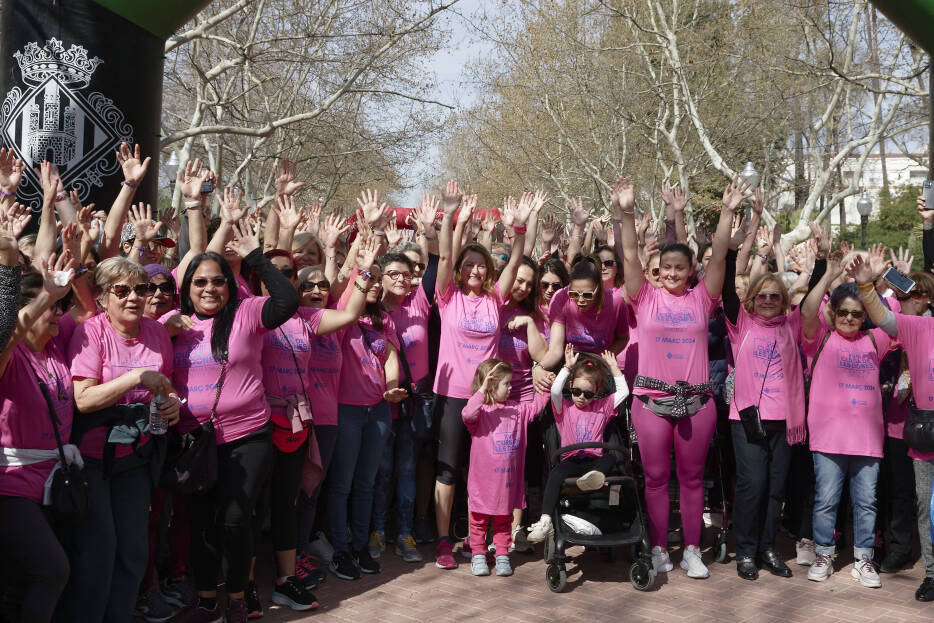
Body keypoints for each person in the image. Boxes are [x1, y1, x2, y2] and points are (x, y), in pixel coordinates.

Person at [164, 214, 298, 623]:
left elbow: (287, 302)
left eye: (218, 281)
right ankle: (207, 600)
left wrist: (255, 256)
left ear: (230, 285)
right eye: (200, 282)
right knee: (202, 523)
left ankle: (238, 597)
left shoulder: (247, 313)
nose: (209, 288)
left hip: (247, 436)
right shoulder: (173, 325)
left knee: (236, 519)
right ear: (187, 288)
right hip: (193, 441)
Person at [615, 175, 742, 580]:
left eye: (679, 268)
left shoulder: (702, 299)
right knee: (655, 480)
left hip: (698, 405)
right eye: (666, 267)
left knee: (692, 480)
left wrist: (727, 211)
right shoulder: (644, 297)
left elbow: (719, 257)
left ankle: (691, 550)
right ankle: (657, 549)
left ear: (690, 271)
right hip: (651, 403)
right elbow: (630, 254)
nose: (671, 273)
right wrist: (628, 211)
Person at [248, 242, 377, 614]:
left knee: (286, 504)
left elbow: (349, 313)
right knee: (254, 508)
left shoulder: (307, 317)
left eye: (287, 273)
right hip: (257, 425)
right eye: (271, 273)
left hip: (296, 424)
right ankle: (246, 585)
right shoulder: (247, 312)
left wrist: (365, 271)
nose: (280, 279)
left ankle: (286, 582)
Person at [58, 256, 180, 622]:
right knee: (99, 547)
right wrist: (134, 378)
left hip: (138, 456)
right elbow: (83, 399)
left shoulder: (157, 332)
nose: (134, 297)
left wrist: (171, 404)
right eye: (122, 290)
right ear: (102, 297)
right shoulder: (91, 331)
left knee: (133, 549)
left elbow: (166, 385)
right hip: (93, 459)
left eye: (140, 289)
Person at [431, 182, 532, 570]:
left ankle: (485, 541)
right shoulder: (448, 296)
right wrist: (449, 214)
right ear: (460, 269)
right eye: (469, 264)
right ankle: (444, 540)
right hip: (453, 395)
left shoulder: (494, 298)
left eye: (481, 265)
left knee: (488, 470)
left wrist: (519, 230)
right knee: (448, 468)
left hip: (490, 401)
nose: (475, 270)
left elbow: (516, 262)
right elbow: (444, 257)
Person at [798, 252, 891, 588]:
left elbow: (893, 319)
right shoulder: (820, 339)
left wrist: (872, 284)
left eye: (857, 313)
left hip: (867, 440)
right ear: (834, 313)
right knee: (826, 501)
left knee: (867, 503)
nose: (850, 318)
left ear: (864, 316)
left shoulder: (875, 340)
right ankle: (824, 554)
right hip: (828, 439)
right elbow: (807, 312)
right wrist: (828, 275)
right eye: (843, 312)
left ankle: (863, 559)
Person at [722, 217, 806, 580]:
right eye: (762, 296)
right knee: (752, 485)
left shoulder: (792, 325)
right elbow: (726, 290)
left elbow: (811, 301)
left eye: (775, 296)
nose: (769, 301)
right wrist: (731, 251)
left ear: (783, 301)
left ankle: (767, 548)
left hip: (785, 419)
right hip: (747, 418)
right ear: (752, 300)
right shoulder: (741, 324)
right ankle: (745, 551)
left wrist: (820, 266)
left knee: (775, 488)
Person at [849, 253, 934, 601]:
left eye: (912, 295)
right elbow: (882, 315)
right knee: (921, 503)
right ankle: (928, 571)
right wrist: (871, 281)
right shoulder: (916, 326)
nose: (906, 299)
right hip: (918, 428)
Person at [0, 251, 76, 623]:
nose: (59, 313)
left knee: (19, 583)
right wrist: (45, 294)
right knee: (51, 570)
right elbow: (9, 333)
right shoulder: (9, 356)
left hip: (53, 485)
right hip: (10, 486)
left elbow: (93, 305)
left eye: (61, 307)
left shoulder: (56, 346)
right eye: (51, 308)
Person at [327, 236, 408, 581]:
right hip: (345, 409)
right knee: (342, 483)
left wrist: (392, 386)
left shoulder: (383, 320)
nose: (374, 284)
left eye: (377, 278)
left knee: (367, 482)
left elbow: (390, 357)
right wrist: (361, 256)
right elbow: (348, 286)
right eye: (368, 278)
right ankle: (340, 550)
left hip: (378, 410)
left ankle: (359, 546)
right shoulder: (341, 312)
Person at [370, 245, 439, 564]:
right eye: (393, 274)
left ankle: (405, 533)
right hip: (380, 403)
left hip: (414, 403)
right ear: (381, 277)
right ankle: (377, 531)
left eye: (407, 274)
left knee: (407, 469)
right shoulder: (369, 310)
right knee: (382, 470)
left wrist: (432, 234)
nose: (401, 279)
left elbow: (437, 264)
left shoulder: (419, 302)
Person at [527, 346, 629, 542]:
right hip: (572, 460)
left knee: (610, 457)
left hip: (594, 460)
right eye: (576, 391)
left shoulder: (603, 407)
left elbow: (623, 392)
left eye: (588, 394)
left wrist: (615, 369)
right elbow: (555, 390)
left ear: (597, 393)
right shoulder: (564, 408)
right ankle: (545, 521)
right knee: (556, 473)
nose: (581, 397)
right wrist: (567, 368)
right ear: (571, 386)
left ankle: (594, 477)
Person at [461, 360, 549, 576]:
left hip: (506, 483)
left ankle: (502, 554)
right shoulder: (481, 412)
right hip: (483, 483)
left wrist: (546, 386)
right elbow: (467, 414)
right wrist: (482, 390)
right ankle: (478, 554)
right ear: (491, 386)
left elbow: (536, 408)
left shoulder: (516, 409)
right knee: (479, 521)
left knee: (503, 521)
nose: (511, 387)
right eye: (506, 384)